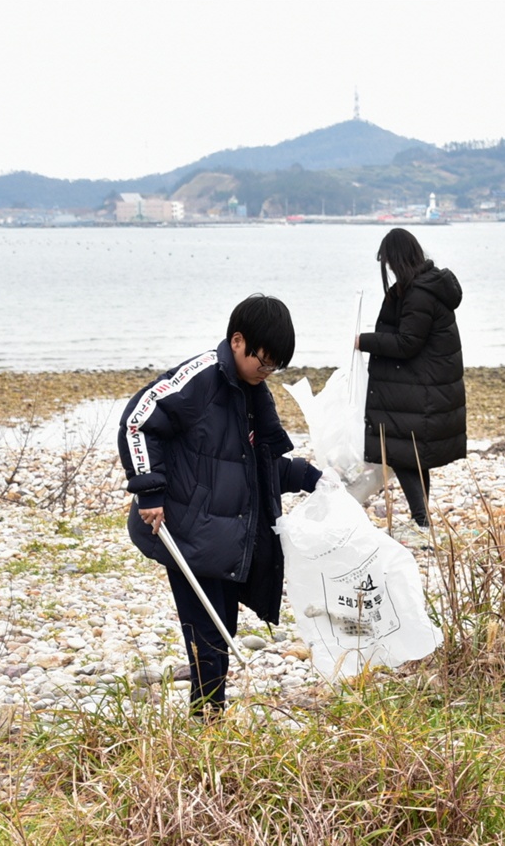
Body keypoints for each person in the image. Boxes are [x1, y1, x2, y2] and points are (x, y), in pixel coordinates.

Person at [117, 294, 321, 713]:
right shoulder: (201, 379)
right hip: (186, 531)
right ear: (237, 341)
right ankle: (207, 719)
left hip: (228, 533)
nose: (266, 373)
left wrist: (305, 476)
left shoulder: (252, 392)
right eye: (262, 362)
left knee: (222, 630)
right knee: (208, 635)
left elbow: (252, 465)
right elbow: (137, 421)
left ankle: (208, 714)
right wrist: (149, 492)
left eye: (274, 367)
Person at [356, 228, 466, 537]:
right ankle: (423, 517)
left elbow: (407, 343)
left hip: (424, 387)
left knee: (400, 451)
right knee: (413, 453)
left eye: (390, 263)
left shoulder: (419, 292)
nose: (389, 270)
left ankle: (421, 520)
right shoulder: (424, 286)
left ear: (399, 259)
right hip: (428, 384)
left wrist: (363, 341)